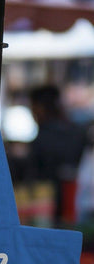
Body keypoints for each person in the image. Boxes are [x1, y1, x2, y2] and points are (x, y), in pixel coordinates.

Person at [28, 84, 87, 226]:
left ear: (40, 107)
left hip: (48, 210)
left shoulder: (41, 138)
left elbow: (34, 177)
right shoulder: (78, 132)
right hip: (79, 207)